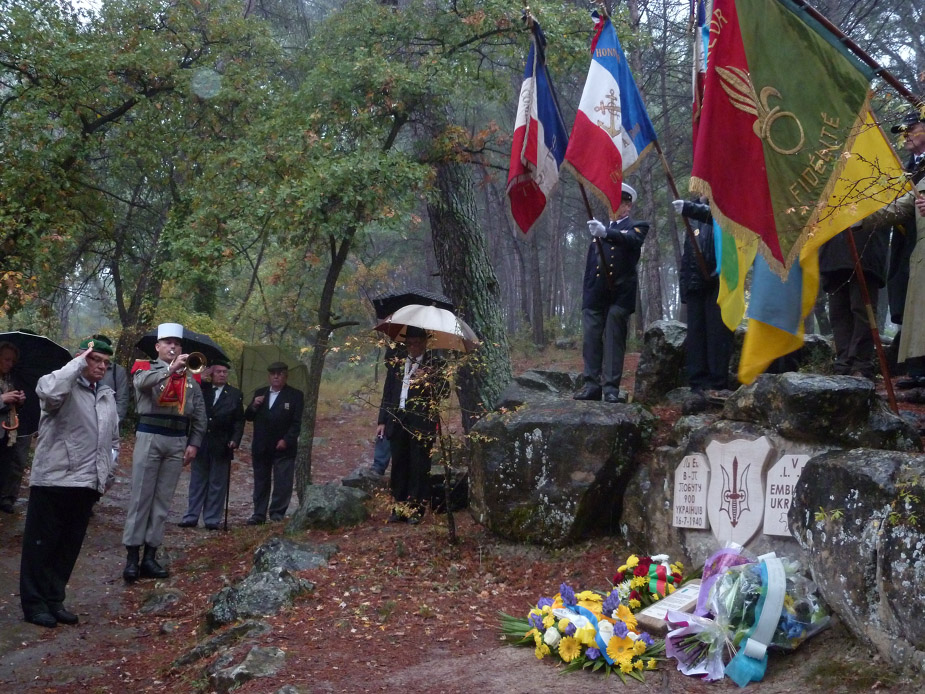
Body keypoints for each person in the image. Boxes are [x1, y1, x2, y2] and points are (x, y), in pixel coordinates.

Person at [19, 338, 119, 628]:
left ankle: (54, 599)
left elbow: (112, 439)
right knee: (41, 544)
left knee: (67, 547)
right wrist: (76, 363)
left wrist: (107, 473)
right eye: (95, 359)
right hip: (54, 478)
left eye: (105, 363)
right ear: (82, 357)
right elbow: (48, 394)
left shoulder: (106, 395)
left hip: (86, 483)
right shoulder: (59, 385)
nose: (101, 366)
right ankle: (34, 603)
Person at [122, 323, 206, 582]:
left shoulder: (192, 377)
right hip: (150, 435)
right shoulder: (145, 367)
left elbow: (200, 412)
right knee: (141, 498)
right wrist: (171, 370)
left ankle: (150, 555)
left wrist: (194, 442)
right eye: (168, 342)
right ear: (157, 347)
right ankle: (132, 557)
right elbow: (143, 385)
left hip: (177, 439)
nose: (173, 347)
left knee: (162, 501)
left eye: (177, 343)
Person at [575, 183, 650, 403]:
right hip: (595, 293)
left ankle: (610, 388)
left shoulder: (637, 227)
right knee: (591, 339)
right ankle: (591, 385)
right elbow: (592, 263)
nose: (612, 208)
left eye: (617, 203)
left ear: (627, 206)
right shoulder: (597, 229)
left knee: (614, 341)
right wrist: (587, 291)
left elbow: (631, 241)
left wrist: (606, 232)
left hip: (620, 293)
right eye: (609, 203)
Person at [377, 327, 448, 524]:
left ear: (425, 342)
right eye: (409, 343)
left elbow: (445, 393)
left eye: (417, 343)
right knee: (399, 464)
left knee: (419, 466)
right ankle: (398, 507)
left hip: (421, 422)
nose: (413, 347)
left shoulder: (435, 363)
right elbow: (388, 392)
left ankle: (416, 510)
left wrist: (429, 379)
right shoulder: (398, 363)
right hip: (397, 420)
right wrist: (382, 420)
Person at [857, 169, 925, 371]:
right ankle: (920, 377)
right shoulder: (922, 183)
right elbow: (896, 209)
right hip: (921, 260)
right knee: (921, 322)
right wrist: (859, 218)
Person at [671, 198, 733, 392]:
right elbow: (687, 254)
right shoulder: (693, 216)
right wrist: (684, 288)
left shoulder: (725, 205)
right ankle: (697, 382)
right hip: (695, 283)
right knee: (696, 334)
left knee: (717, 333)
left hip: (719, 281)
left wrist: (692, 209)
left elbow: (721, 218)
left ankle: (718, 382)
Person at [179, 358, 244, 530]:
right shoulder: (202, 388)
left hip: (222, 443)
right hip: (200, 441)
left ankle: (212, 519)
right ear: (212, 373)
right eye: (218, 371)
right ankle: (191, 516)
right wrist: (201, 374)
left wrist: (235, 439)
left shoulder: (235, 394)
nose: (222, 374)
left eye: (224, 372)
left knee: (217, 483)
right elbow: (188, 392)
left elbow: (239, 421)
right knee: (197, 481)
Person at [886, 111, 925, 386]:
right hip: (909, 239)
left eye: (912, 128)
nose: (906, 135)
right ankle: (915, 367)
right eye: (903, 131)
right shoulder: (905, 168)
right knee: (909, 300)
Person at [819, 226, 888, 378]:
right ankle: (843, 364)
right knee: (839, 313)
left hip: (866, 251)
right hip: (832, 254)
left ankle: (861, 365)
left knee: (863, 311)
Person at [244, 362, 304, 524]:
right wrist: (254, 405)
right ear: (269, 376)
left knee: (282, 482)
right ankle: (258, 514)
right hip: (261, 446)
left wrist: (287, 439)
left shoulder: (295, 395)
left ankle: (277, 513)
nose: (276, 376)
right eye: (273, 374)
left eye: (280, 373)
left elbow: (297, 422)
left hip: (283, 447)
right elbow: (248, 416)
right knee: (261, 481)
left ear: (285, 376)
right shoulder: (260, 393)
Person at [0, 341, 34, 514]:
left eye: (12, 361)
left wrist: (18, 401)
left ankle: (4, 498)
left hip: (7, 432)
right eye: (6, 359)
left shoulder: (10, 379)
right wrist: (2, 399)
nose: (10, 364)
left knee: (6, 467)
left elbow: (10, 407)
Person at [93, 334, 131, 423]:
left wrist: (114, 422)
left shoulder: (117, 371)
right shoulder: (85, 367)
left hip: (108, 420)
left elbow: (122, 399)